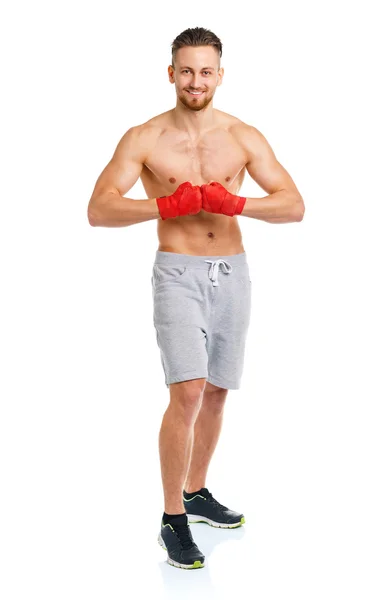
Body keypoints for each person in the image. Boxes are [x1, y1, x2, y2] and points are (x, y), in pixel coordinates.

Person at [87, 26, 305, 570]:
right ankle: (171, 519)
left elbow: (294, 204)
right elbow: (99, 208)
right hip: (178, 272)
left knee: (215, 392)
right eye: (186, 70)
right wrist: (163, 208)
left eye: (206, 71)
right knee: (187, 390)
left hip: (232, 272)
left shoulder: (243, 135)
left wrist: (237, 204)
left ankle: (196, 491)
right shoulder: (144, 138)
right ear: (171, 74)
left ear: (220, 75)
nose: (196, 81)